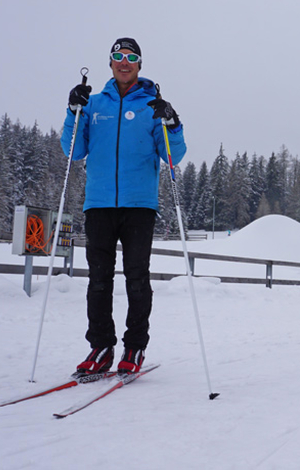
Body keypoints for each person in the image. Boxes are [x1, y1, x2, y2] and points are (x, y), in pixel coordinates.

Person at [61, 37, 186, 376]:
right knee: (99, 280)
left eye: (131, 57)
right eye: (118, 56)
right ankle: (100, 347)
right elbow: (74, 150)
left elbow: (172, 156)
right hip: (99, 203)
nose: (124, 62)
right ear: (111, 63)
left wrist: (171, 123)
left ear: (140, 64)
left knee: (136, 278)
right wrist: (73, 111)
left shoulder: (152, 106)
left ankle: (134, 347)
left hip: (138, 205)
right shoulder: (95, 103)